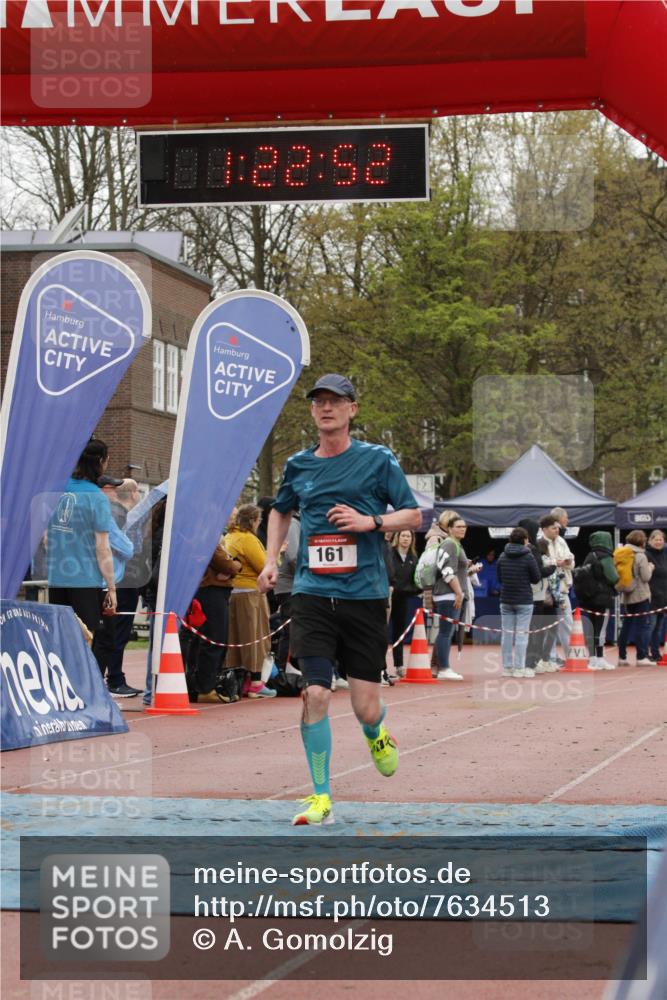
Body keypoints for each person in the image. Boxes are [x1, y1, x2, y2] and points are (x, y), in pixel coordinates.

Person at [257, 373, 420, 826]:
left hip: (364, 596)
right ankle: (321, 795)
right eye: (318, 402)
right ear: (312, 412)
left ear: (352, 409)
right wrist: (271, 560)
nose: (326, 408)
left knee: (364, 705)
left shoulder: (377, 460)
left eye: (335, 401)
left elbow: (412, 513)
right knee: (315, 693)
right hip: (312, 593)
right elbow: (280, 509)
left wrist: (370, 522)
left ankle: (376, 732)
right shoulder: (298, 465)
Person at [47, 439, 130, 642]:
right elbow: (103, 549)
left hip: (57, 578)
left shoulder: (57, 489)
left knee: (60, 641)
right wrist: (111, 588)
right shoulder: (96, 497)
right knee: (84, 641)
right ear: (101, 461)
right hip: (84, 579)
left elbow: (46, 539)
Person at [91, 477, 143, 697]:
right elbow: (127, 548)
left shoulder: (118, 514)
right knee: (110, 636)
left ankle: (109, 679)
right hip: (117, 581)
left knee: (109, 635)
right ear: (132, 494)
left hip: (115, 580)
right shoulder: (117, 514)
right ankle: (109, 681)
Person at [225, 503, 276, 698]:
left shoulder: (230, 537)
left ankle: (236, 678)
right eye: (259, 520)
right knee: (256, 636)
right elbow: (264, 565)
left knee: (235, 638)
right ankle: (255, 681)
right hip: (250, 593)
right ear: (253, 521)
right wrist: (276, 557)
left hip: (233, 592)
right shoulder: (248, 539)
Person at [185, 535, 242, 703]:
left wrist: (233, 565)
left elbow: (229, 564)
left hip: (213, 591)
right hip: (211, 591)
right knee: (213, 639)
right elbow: (227, 564)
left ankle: (206, 685)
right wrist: (235, 565)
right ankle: (205, 688)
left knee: (213, 640)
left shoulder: (209, 537)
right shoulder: (207, 538)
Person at [496, 526, 541, 677]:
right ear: (525, 540)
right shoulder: (529, 556)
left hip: (506, 599)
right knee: (522, 634)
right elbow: (536, 578)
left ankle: (507, 667)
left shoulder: (502, 556)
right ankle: (520, 668)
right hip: (524, 600)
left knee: (506, 634)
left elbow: (499, 578)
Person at [432, 514, 470, 681]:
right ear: (449, 529)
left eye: (464, 526)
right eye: (458, 526)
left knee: (446, 632)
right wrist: (459, 593)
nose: (462, 529)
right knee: (445, 633)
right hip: (449, 594)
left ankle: (441, 667)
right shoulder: (450, 544)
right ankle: (444, 668)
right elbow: (447, 572)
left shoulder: (455, 544)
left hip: (450, 593)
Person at [580, 531, 619, 670]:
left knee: (590, 628)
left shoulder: (590, 555)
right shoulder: (606, 556)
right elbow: (613, 577)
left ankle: (592, 658)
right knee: (600, 628)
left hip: (588, 597)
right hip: (602, 597)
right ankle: (600, 658)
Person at [539, 511, 574, 664]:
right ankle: (550, 658)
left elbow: (572, 560)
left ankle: (571, 656)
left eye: (558, 528)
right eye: (554, 528)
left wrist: (568, 562)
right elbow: (539, 564)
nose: (557, 530)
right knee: (548, 625)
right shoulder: (539, 543)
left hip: (563, 587)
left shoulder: (561, 541)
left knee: (568, 623)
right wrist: (555, 563)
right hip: (546, 590)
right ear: (544, 529)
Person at [617, 530, 655, 666]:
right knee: (643, 626)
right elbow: (646, 577)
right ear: (641, 542)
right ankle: (641, 656)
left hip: (626, 595)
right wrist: (650, 567)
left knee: (626, 626)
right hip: (640, 595)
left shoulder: (622, 553)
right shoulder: (640, 556)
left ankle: (622, 657)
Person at [387, 530, 421, 675]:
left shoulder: (414, 557)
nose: (406, 539)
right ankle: (379, 667)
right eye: (403, 535)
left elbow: (417, 579)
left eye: (408, 536)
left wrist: (414, 591)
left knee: (399, 632)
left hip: (403, 599)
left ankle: (399, 665)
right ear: (397, 537)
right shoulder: (390, 552)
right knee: (382, 631)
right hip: (387, 597)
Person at [646, 529, 667, 661]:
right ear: (650, 541)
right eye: (656, 539)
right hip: (651, 596)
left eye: (661, 540)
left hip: (664, 596)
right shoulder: (646, 555)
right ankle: (643, 653)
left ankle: (655, 653)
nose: (659, 542)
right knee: (650, 627)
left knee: (658, 628)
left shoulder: (665, 554)